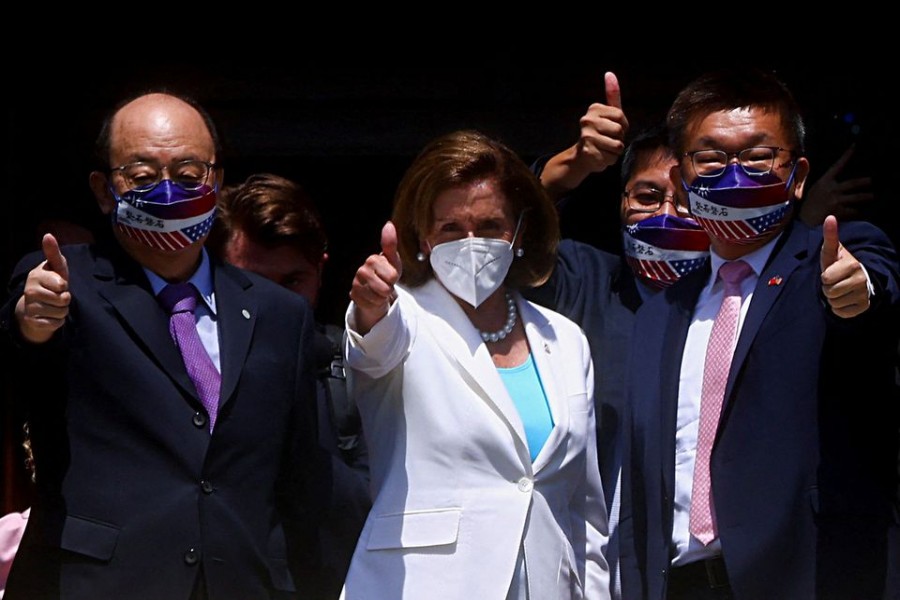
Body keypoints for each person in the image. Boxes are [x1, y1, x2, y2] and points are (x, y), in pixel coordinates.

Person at [0, 91, 320, 599]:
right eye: (144, 177)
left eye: (190, 174)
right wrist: (34, 318)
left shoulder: (279, 314)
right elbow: (26, 339)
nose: (170, 191)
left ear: (216, 182)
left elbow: (307, 478)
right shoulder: (69, 284)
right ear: (105, 192)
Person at [618, 67, 900, 599]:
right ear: (682, 179)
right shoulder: (662, 309)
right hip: (679, 582)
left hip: (809, 578)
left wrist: (856, 290)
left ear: (796, 176)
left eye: (756, 157)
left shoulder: (827, 262)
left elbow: (873, 288)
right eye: (711, 158)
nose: (734, 174)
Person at [341, 129, 610, 599]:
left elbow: (584, 507)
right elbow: (372, 346)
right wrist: (369, 306)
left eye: (489, 227)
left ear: (519, 233)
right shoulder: (403, 318)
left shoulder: (563, 338)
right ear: (422, 238)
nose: (471, 242)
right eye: (450, 229)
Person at [528, 119, 711, 600]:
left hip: (700, 571)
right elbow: (505, 236)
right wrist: (572, 165)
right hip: (587, 568)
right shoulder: (586, 279)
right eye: (647, 197)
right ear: (621, 201)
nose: (667, 214)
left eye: (687, 201)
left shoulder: (733, 301)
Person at [207, 172, 370, 598]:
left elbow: (384, 505)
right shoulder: (191, 371)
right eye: (254, 283)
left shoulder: (360, 363)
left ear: (321, 270)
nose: (275, 302)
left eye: (292, 282)